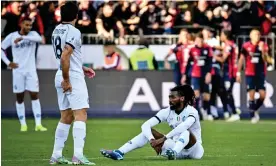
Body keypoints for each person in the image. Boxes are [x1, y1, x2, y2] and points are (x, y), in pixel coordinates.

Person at [101, 85, 203, 160]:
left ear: (182, 98)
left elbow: (184, 126)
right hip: (175, 147)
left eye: (173, 97)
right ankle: (119, 152)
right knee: (147, 131)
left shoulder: (192, 111)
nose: (170, 100)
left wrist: (163, 139)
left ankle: (174, 153)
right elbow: (145, 125)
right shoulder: (166, 111)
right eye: (169, 97)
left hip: (194, 150)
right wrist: (152, 140)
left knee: (185, 131)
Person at [49, 2, 96, 165]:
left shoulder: (56, 29)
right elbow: (64, 56)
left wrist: (81, 67)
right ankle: (78, 156)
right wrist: (67, 79)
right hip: (70, 77)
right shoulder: (74, 31)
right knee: (81, 114)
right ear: (76, 15)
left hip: (61, 73)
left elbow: (65, 57)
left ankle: (56, 155)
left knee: (66, 116)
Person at [1, 17, 47, 132]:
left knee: (34, 95)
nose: (29, 27)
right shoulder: (11, 36)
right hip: (18, 71)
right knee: (20, 97)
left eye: (30, 25)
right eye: (26, 25)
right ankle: (23, 124)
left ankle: (38, 125)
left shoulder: (33, 34)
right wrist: (8, 62)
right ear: (21, 24)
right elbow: (1, 48)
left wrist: (22, 37)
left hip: (31, 71)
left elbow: (39, 39)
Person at [237, 29, 272, 124]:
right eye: (256, 34)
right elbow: (241, 59)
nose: (258, 36)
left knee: (262, 95)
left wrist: (263, 52)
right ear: (251, 36)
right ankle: (252, 116)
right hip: (250, 73)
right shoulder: (246, 46)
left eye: (259, 34)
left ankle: (254, 109)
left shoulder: (263, 45)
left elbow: (267, 59)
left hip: (260, 73)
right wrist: (238, 72)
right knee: (251, 94)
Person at [184, 33, 213, 121]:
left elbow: (210, 62)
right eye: (197, 40)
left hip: (205, 75)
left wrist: (209, 73)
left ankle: (207, 112)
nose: (198, 42)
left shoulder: (208, 49)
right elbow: (189, 63)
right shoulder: (192, 50)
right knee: (196, 94)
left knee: (206, 96)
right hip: (195, 75)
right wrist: (185, 75)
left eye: (200, 40)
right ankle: (197, 114)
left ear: (202, 40)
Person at [217, 30, 241, 122]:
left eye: (221, 34)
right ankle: (234, 110)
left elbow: (223, 59)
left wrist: (213, 56)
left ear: (225, 36)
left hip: (229, 72)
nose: (220, 36)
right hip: (231, 72)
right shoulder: (232, 44)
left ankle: (234, 113)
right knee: (226, 92)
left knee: (228, 93)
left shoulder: (228, 45)